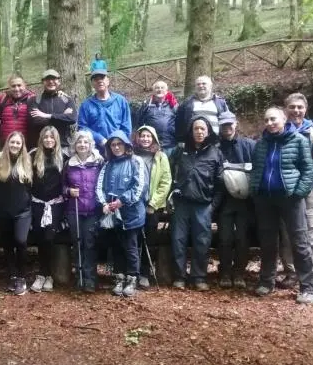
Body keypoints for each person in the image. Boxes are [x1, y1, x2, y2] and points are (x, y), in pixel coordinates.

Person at [249, 107, 313, 304]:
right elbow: (256, 169)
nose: (270, 123)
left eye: (273, 119)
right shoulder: (261, 144)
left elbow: (308, 170)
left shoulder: (298, 141)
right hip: (265, 199)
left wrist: (298, 193)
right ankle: (266, 281)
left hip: (291, 199)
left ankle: (308, 287)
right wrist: (256, 190)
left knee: (299, 242)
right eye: (266, 120)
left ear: (283, 119)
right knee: (268, 242)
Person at [278, 93, 313, 291]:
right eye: (292, 107)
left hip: (309, 189)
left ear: (306, 109)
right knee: (287, 232)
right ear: (285, 109)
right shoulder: (279, 129)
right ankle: (292, 272)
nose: (296, 110)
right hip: (286, 191)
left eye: (300, 107)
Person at [169, 116, 224, 291]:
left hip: (203, 205)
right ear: (191, 131)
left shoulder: (215, 153)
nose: (199, 132)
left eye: (202, 129)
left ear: (208, 131)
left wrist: (212, 206)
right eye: (196, 129)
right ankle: (179, 276)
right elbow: (169, 174)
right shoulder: (180, 151)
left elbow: (220, 183)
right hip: (182, 204)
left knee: (202, 241)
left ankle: (199, 277)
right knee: (178, 240)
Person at [96, 130, 147, 297]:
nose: (116, 147)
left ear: (126, 145)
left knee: (131, 247)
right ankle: (119, 277)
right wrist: (104, 203)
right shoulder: (107, 165)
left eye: (119, 144)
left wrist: (122, 201)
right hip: (112, 214)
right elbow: (100, 187)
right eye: (113, 145)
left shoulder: (136, 161)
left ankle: (132, 278)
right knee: (116, 247)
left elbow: (139, 187)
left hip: (131, 213)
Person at [216, 112, 255, 289]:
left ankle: (239, 272)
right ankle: (224, 272)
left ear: (236, 124)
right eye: (224, 125)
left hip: (245, 202)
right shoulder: (215, 148)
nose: (227, 128)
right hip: (223, 201)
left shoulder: (249, 145)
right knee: (224, 238)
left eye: (230, 124)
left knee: (242, 238)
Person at [63, 130, 104, 292]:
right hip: (74, 210)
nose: (82, 145)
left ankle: (90, 279)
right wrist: (68, 192)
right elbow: (63, 186)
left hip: (93, 210)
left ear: (90, 145)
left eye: (86, 142)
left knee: (89, 243)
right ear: (75, 145)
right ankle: (79, 277)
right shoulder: (68, 164)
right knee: (77, 243)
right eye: (79, 142)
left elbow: (103, 183)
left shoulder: (98, 162)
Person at [133, 125, 172, 289]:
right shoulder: (132, 155)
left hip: (152, 207)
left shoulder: (161, 157)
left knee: (149, 240)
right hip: (133, 205)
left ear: (154, 138)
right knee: (133, 240)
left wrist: (153, 203)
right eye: (143, 136)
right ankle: (132, 272)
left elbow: (166, 182)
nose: (145, 139)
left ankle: (145, 273)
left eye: (149, 136)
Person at [0, 131, 33, 296]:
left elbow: (32, 187)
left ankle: (22, 276)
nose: (15, 145)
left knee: (21, 241)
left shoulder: (28, 163)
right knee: (8, 245)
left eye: (18, 143)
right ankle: (12, 275)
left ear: (22, 145)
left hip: (23, 211)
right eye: (12, 142)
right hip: (4, 211)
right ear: (7, 143)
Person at [29, 126, 66, 293]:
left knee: (50, 238)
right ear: (41, 139)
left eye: (52, 137)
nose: (49, 140)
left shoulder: (63, 157)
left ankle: (48, 275)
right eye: (46, 137)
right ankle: (41, 275)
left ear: (56, 139)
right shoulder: (33, 155)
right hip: (37, 203)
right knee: (39, 238)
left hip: (55, 204)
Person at [77, 68, 132, 150]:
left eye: (102, 78)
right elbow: (82, 127)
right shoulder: (86, 105)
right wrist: (100, 139)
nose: (99, 81)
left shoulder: (120, 101)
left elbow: (126, 126)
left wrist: (116, 141)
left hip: (118, 147)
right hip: (95, 149)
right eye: (96, 79)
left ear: (108, 81)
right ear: (92, 83)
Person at [27, 69, 77, 149]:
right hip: (41, 147)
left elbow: (72, 118)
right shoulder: (34, 100)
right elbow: (35, 121)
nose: (51, 81)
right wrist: (62, 117)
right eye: (47, 79)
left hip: (63, 146)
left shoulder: (67, 100)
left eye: (54, 79)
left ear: (59, 81)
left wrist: (47, 116)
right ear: (42, 82)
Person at [175, 76, 229, 142]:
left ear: (210, 86)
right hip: (193, 142)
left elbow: (227, 121)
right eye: (198, 84)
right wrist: (181, 140)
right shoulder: (187, 103)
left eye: (204, 83)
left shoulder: (220, 103)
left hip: (216, 141)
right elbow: (179, 123)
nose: (201, 86)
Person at [132, 81, 178, 156]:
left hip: (170, 145)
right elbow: (138, 123)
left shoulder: (173, 105)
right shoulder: (146, 105)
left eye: (162, 88)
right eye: (157, 88)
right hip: (152, 145)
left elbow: (180, 123)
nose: (159, 90)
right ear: (153, 91)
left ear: (166, 91)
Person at [0, 74, 35, 149]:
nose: (16, 89)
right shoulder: (2, 99)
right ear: (9, 87)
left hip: (25, 145)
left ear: (25, 85)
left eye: (19, 85)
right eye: (13, 86)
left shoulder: (32, 99)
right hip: (5, 144)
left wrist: (58, 93)